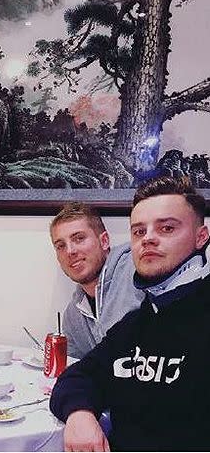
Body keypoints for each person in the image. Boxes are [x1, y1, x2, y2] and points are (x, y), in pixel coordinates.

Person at [50, 176, 210, 451]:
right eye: (138, 232)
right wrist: (80, 413)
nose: (148, 238)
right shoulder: (136, 323)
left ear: (201, 237)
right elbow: (79, 375)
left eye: (167, 228)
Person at [50, 202, 145, 358]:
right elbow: (77, 371)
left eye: (79, 238)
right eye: (60, 246)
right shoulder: (73, 317)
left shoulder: (136, 271)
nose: (70, 251)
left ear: (104, 241)